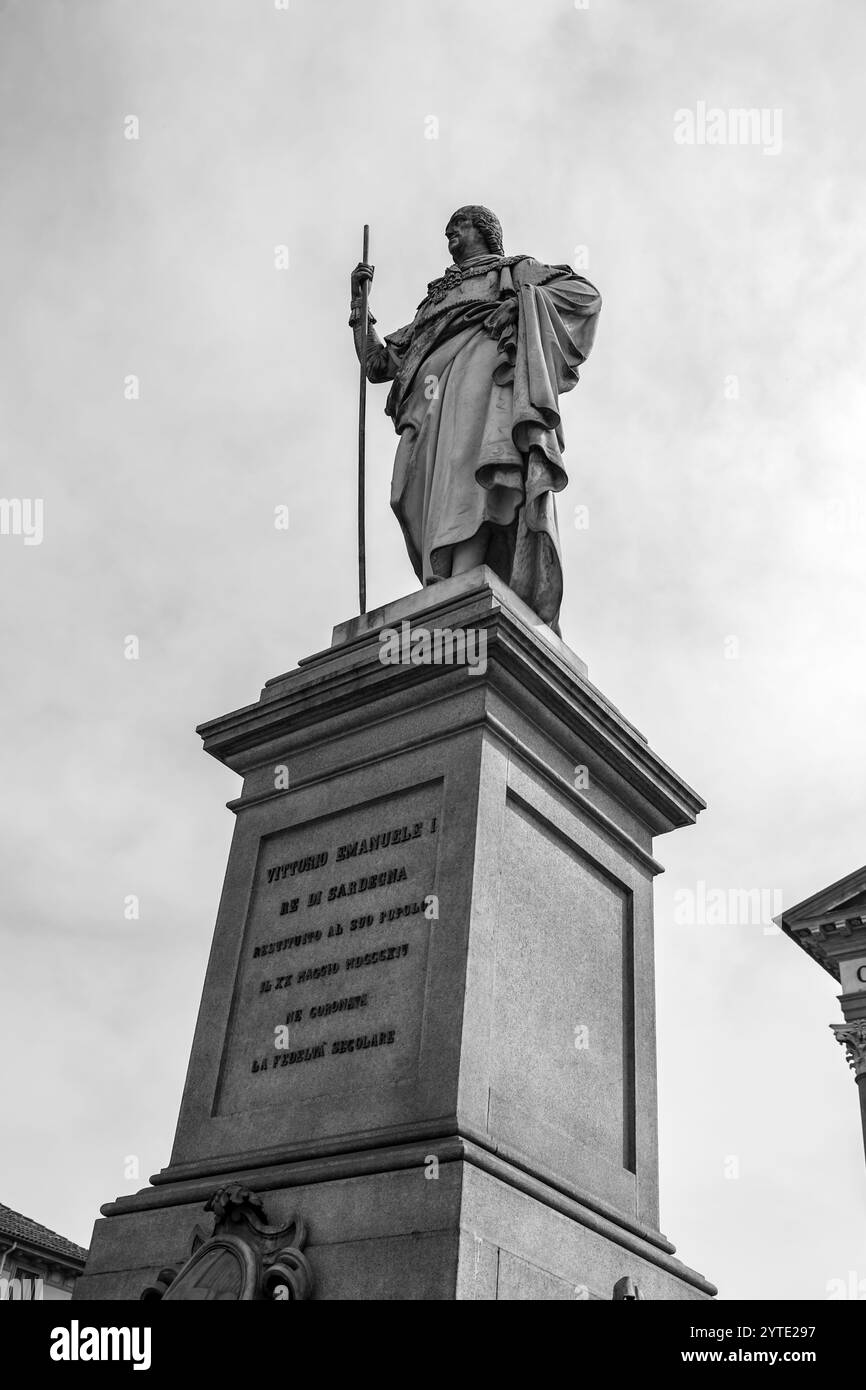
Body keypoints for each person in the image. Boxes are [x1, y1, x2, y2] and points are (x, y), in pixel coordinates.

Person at [350, 205, 601, 632]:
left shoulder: (514, 270)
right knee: (420, 487)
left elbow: (585, 296)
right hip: (427, 400)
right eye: (447, 229)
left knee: (472, 470)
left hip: (480, 371)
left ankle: (464, 576)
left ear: (483, 230)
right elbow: (379, 364)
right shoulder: (435, 300)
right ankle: (448, 582)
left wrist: (523, 305)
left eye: (459, 226)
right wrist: (360, 308)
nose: (450, 235)